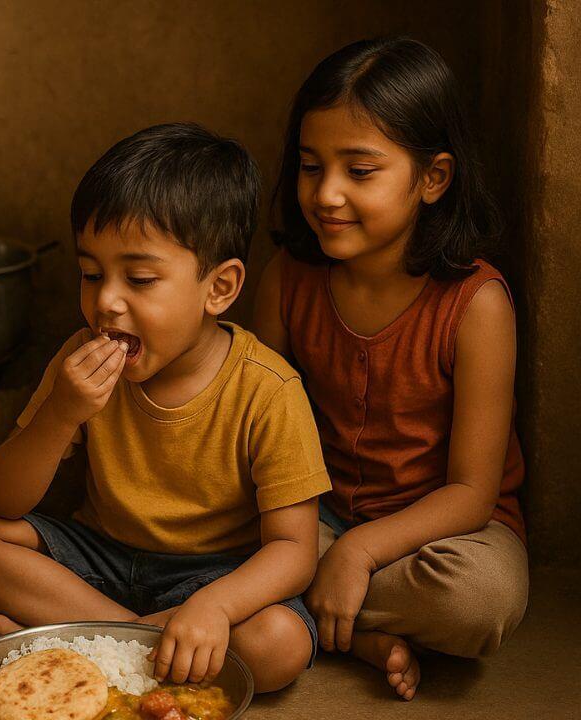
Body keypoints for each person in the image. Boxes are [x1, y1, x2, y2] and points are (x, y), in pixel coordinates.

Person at [0, 123, 331, 693]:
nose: (105, 301)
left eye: (140, 279)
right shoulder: (80, 360)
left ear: (219, 289)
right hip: (99, 562)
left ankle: (74, 640)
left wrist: (216, 605)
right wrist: (60, 414)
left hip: (214, 574)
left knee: (278, 644)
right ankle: (134, 642)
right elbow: (4, 499)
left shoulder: (268, 388)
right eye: (91, 273)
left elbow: (296, 551)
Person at [252, 37, 529, 701]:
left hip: (441, 535)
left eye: (360, 171)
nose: (327, 194)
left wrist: (359, 551)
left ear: (433, 178)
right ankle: (353, 630)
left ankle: (308, 611)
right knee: (197, 527)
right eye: (311, 167)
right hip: (307, 518)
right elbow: (250, 426)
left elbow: (471, 492)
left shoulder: (476, 304)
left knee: (476, 602)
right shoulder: (288, 278)